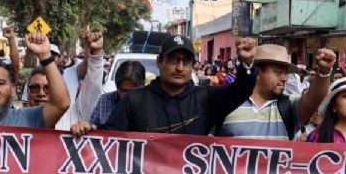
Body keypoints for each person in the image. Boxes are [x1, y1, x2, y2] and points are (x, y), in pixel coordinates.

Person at [71, 35, 256, 135]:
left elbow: (242, 90)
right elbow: (109, 136)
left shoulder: (205, 98)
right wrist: (87, 130)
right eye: (174, 60)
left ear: (192, 66)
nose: (179, 67)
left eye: (186, 61)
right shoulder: (135, 99)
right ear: (160, 62)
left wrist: (247, 63)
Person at [0, 33, 69, 128]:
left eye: (0, 83)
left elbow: (61, 104)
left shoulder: (30, 118)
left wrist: (45, 56)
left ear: (12, 88)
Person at [217, 45, 331, 141]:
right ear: (257, 73)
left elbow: (315, 98)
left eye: (285, 73)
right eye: (278, 72)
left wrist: (324, 71)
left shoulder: (289, 105)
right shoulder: (228, 103)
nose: (284, 78)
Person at [55, 30, 106, 131]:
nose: (42, 93)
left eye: (53, 55)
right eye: (35, 88)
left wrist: (95, 52)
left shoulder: (74, 114)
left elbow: (93, 85)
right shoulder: (24, 118)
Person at [90, 60, 145, 126]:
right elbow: (91, 128)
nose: (129, 96)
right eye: (124, 92)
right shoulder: (103, 101)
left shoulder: (151, 103)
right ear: (117, 88)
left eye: (134, 92)